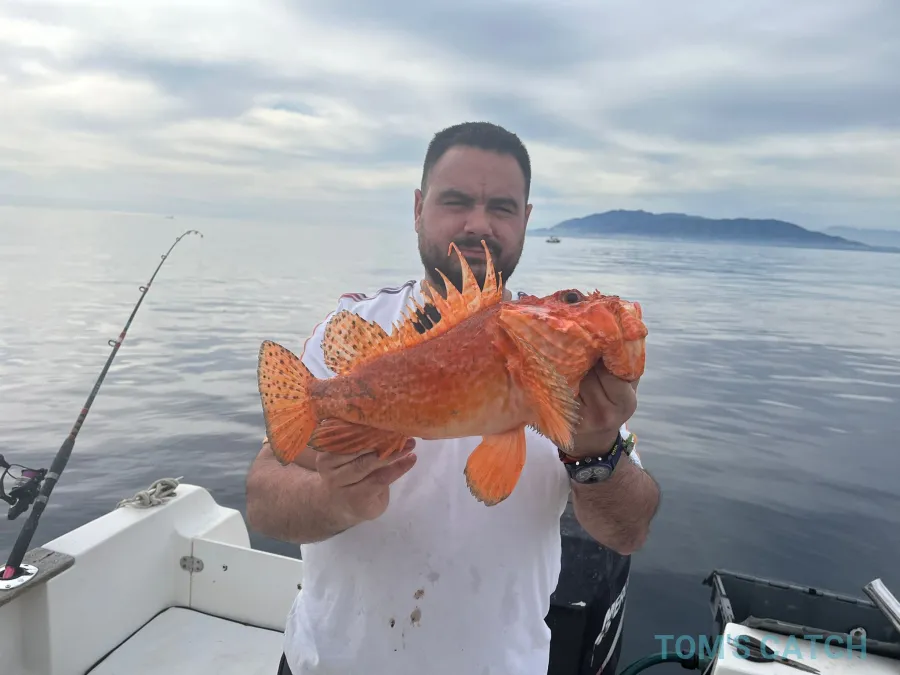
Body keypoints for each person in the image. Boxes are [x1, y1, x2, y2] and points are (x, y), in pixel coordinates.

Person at [245, 121, 661, 675]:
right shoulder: (350, 327)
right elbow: (263, 500)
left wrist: (597, 450)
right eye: (456, 201)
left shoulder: (576, 371)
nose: (478, 224)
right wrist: (334, 500)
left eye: (502, 208)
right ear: (419, 208)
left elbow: (629, 532)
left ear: (526, 220)